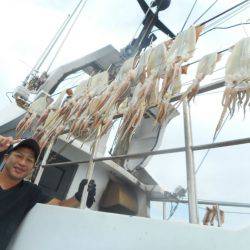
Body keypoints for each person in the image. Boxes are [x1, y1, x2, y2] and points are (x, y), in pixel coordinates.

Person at [0, 135, 96, 250]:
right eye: (19, 156)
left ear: (33, 168)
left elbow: (60, 205)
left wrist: (79, 197)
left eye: (29, 160)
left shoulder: (30, 191)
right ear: (5, 158)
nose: (23, 163)